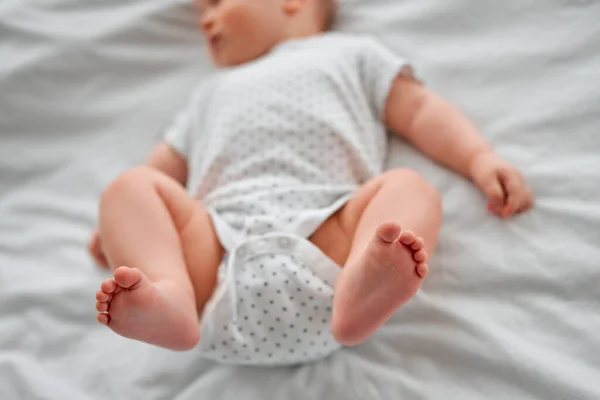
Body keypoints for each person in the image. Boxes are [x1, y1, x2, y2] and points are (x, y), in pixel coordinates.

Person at [89, 0, 533, 365]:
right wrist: (121, 229)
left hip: (328, 232)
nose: (205, 19)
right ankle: (170, 298)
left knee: (408, 187)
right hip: (216, 262)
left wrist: (478, 156)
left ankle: (365, 278)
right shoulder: (208, 92)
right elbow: (162, 166)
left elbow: (418, 111)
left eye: (218, 2)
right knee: (127, 186)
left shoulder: (353, 53)